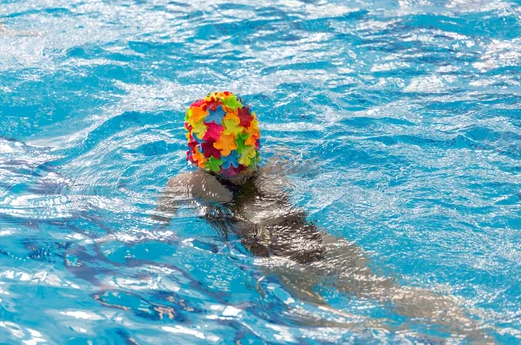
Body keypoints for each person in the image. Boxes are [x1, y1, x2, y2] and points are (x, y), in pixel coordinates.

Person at [156, 91, 492, 341]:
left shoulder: (191, 182)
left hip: (272, 251)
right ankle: (470, 328)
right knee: (389, 290)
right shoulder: (273, 166)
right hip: (312, 235)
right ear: (251, 138)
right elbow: (310, 168)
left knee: (330, 323)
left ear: (197, 147)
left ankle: (400, 333)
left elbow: (159, 224)